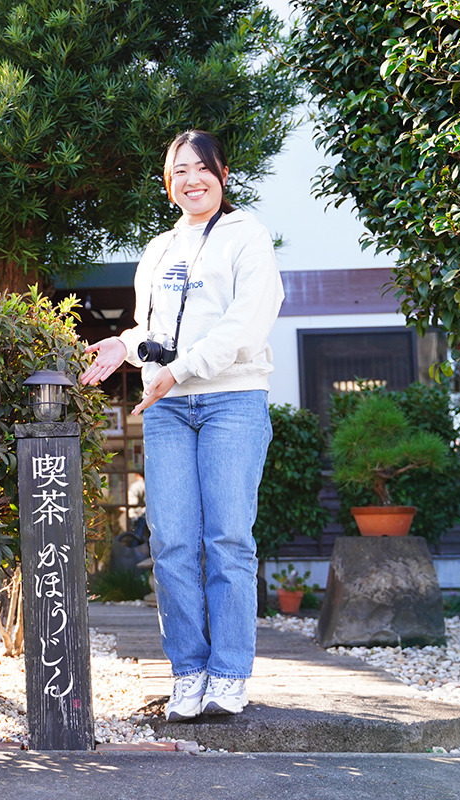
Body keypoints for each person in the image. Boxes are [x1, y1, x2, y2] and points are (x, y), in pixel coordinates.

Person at [80, 130, 283, 721]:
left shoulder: (247, 237)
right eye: (180, 171)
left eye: (203, 168)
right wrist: (122, 347)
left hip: (231, 400)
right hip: (166, 407)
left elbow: (248, 323)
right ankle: (189, 671)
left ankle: (229, 674)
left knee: (227, 541)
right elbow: (151, 331)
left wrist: (183, 368)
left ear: (223, 174)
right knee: (169, 543)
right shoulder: (159, 249)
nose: (193, 180)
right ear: (167, 184)